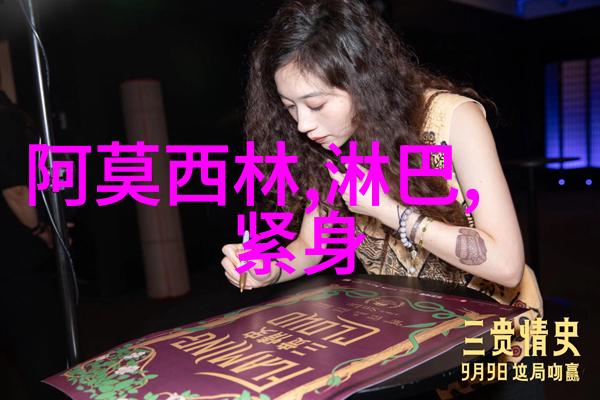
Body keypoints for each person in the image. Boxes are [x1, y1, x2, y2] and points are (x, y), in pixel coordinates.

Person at [221, 1, 543, 397]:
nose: (303, 124)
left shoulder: (452, 119)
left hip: (497, 339)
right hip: (416, 340)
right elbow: (311, 246)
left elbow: (507, 265)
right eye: (290, 108)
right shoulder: (331, 144)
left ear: (362, 81)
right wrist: (270, 269)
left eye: (316, 104)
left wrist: (388, 211)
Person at [0, 83, 67, 399]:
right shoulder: (7, 121)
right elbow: (15, 190)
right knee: (40, 355)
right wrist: (42, 229)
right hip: (18, 260)